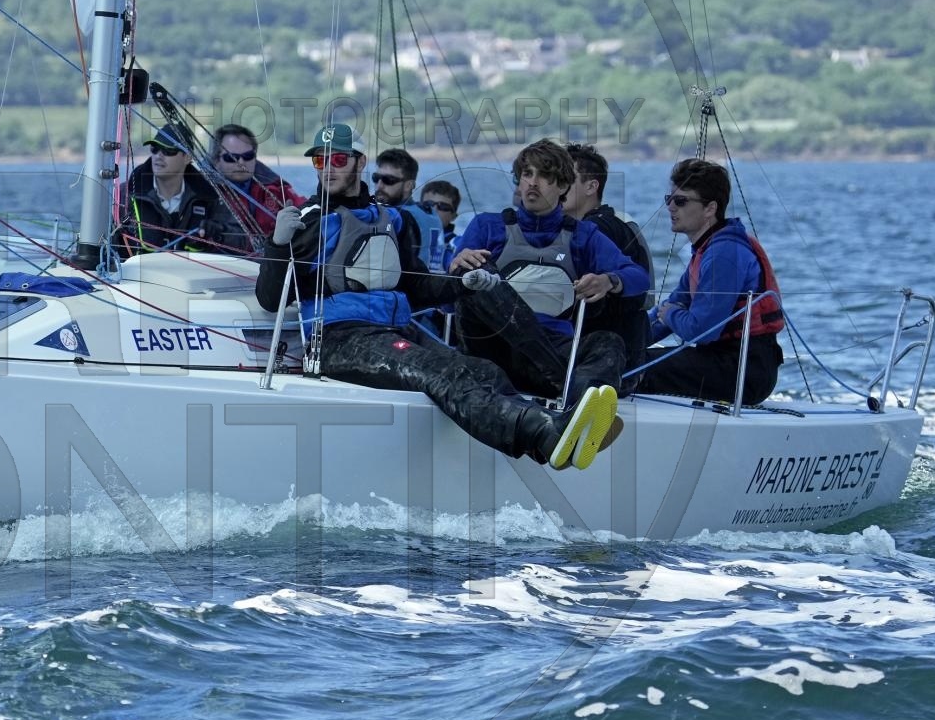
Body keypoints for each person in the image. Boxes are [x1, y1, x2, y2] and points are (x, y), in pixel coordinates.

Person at [255, 123, 622, 471]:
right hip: (338, 339)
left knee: (483, 370)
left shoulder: (392, 220)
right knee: (444, 372)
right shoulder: (309, 222)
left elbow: (416, 288)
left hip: (391, 332)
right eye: (320, 161)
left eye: (337, 159)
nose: (328, 169)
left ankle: (549, 432)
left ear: (360, 162)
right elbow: (271, 299)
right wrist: (277, 244)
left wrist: (465, 284)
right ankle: (544, 433)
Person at [445, 139, 650, 403]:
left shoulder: (583, 236)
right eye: (527, 174)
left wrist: (609, 280)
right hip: (492, 350)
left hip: (553, 346)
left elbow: (638, 276)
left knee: (609, 343)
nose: (533, 182)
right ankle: (562, 382)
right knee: (478, 274)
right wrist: (457, 265)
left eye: (544, 175)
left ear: (563, 185)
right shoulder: (486, 227)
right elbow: (448, 298)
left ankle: (577, 409)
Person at [637, 158, 784, 405]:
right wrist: (623, 342)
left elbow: (701, 331)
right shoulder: (706, 250)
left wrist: (671, 314)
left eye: (680, 201)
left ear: (709, 208)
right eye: (669, 199)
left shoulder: (723, 255)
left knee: (636, 368)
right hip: (720, 359)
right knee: (627, 360)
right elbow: (669, 308)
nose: (670, 207)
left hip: (744, 369)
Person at [563, 143, 653, 372]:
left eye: (566, 178)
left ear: (591, 186)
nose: (557, 185)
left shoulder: (595, 231)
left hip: (610, 362)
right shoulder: (616, 222)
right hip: (631, 351)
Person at [114, 123, 227, 256]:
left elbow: (236, 240)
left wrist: (217, 233)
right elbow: (105, 241)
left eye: (168, 151)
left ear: (187, 157)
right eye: (155, 149)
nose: (158, 156)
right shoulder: (124, 195)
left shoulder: (210, 198)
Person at [208, 122, 305, 253]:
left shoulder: (276, 188)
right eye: (231, 157)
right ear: (216, 160)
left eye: (248, 156)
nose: (241, 162)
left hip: (272, 260)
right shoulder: (200, 191)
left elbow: (306, 210)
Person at [370, 148, 448, 272]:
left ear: (408, 185)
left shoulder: (399, 218)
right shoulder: (430, 213)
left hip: (410, 282)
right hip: (433, 280)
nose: (379, 185)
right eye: (376, 178)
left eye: (388, 180)